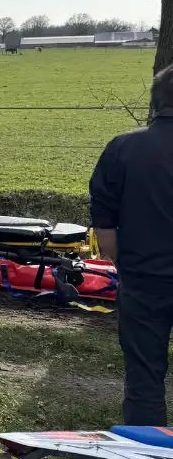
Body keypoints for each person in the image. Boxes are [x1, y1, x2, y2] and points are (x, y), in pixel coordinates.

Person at [90, 63, 173, 426]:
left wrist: (131, 266)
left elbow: (105, 233)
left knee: (144, 378)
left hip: (144, 280)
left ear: (155, 103)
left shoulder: (123, 148)